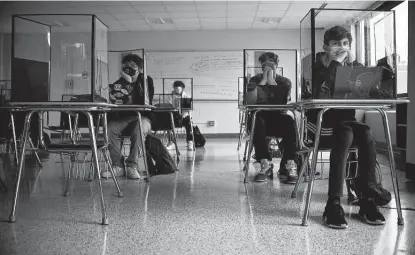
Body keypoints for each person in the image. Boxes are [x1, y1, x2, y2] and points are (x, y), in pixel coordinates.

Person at [306, 26, 387, 229]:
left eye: (345, 44)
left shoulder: (355, 66)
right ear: (326, 47)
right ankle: (333, 202)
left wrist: (361, 69)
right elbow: (319, 94)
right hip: (322, 124)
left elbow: (372, 92)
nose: (341, 48)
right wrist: (337, 63)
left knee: (365, 131)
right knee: (345, 133)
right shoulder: (318, 68)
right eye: (335, 44)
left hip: (347, 123)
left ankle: (366, 197)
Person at [246, 52, 299, 184]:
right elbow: (251, 101)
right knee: (255, 120)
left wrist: (272, 80)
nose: (268, 66)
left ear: (276, 65)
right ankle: (265, 162)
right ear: (261, 66)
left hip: (278, 117)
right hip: (260, 117)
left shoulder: (285, 81)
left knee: (290, 122)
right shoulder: (254, 80)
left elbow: (282, 101)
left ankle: (289, 163)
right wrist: (264, 80)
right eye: (265, 64)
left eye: (271, 63)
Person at [102, 53, 154, 179]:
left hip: (142, 117)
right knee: (109, 128)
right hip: (124, 118)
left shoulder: (147, 81)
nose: (128, 68)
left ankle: (132, 165)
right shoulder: (120, 82)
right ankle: (118, 166)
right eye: (125, 65)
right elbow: (116, 99)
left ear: (140, 68)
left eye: (132, 65)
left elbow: (146, 101)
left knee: (139, 129)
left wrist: (133, 83)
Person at [165, 80, 194, 151]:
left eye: (179, 88)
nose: (177, 89)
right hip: (174, 116)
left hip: (184, 117)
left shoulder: (187, 96)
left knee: (189, 123)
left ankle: (190, 143)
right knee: (168, 123)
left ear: (182, 88)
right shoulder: (170, 96)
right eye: (175, 88)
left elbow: (189, 109)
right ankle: (171, 143)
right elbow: (167, 106)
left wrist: (183, 111)